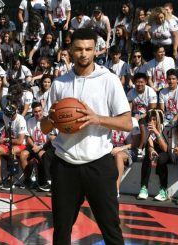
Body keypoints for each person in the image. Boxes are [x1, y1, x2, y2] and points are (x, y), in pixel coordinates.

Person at [41, 28, 132, 245]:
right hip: (64, 164)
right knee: (61, 230)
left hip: (98, 163)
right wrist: (54, 119)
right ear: (70, 50)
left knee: (111, 227)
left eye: (89, 49)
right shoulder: (59, 83)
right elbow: (45, 127)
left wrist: (97, 118)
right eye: (79, 49)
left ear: (95, 51)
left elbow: (127, 123)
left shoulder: (108, 80)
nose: (84, 54)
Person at [0, 102, 27, 190]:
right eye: (8, 116)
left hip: (21, 144)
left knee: (11, 151)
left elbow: (20, 140)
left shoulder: (21, 120)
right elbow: (7, 129)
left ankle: (10, 179)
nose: (10, 118)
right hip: (9, 141)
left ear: (15, 113)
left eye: (11, 116)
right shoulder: (5, 116)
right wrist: (2, 138)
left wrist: (6, 140)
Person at [19, 102, 56, 191]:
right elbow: (28, 138)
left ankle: (44, 180)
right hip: (33, 145)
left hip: (45, 145)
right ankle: (27, 179)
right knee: (23, 155)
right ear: (32, 112)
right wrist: (34, 145)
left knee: (42, 155)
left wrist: (40, 147)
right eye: (35, 112)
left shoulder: (47, 121)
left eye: (39, 111)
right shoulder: (29, 121)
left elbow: (51, 138)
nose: (38, 113)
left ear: (42, 110)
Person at [137, 109, 170, 201]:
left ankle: (164, 190)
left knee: (161, 159)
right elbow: (150, 144)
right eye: (150, 119)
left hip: (167, 153)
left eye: (154, 119)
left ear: (159, 120)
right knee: (147, 157)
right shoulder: (148, 129)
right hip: (155, 151)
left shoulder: (165, 128)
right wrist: (151, 150)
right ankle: (144, 188)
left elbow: (165, 149)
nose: (152, 122)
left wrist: (156, 132)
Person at [111, 117, 140, 197]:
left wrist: (120, 148)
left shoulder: (133, 121)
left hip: (130, 150)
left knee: (119, 155)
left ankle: (116, 189)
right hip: (113, 149)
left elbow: (136, 143)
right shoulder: (110, 119)